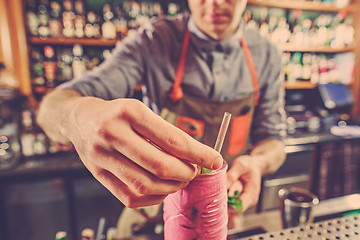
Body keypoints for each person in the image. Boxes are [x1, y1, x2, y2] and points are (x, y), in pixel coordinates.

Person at [37, 0, 287, 235]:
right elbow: (51, 108)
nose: (214, 2)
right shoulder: (153, 41)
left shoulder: (267, 55)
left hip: (218, 214)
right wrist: (79, 119)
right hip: (149, 210)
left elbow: (274, 140)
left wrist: (259, 162)